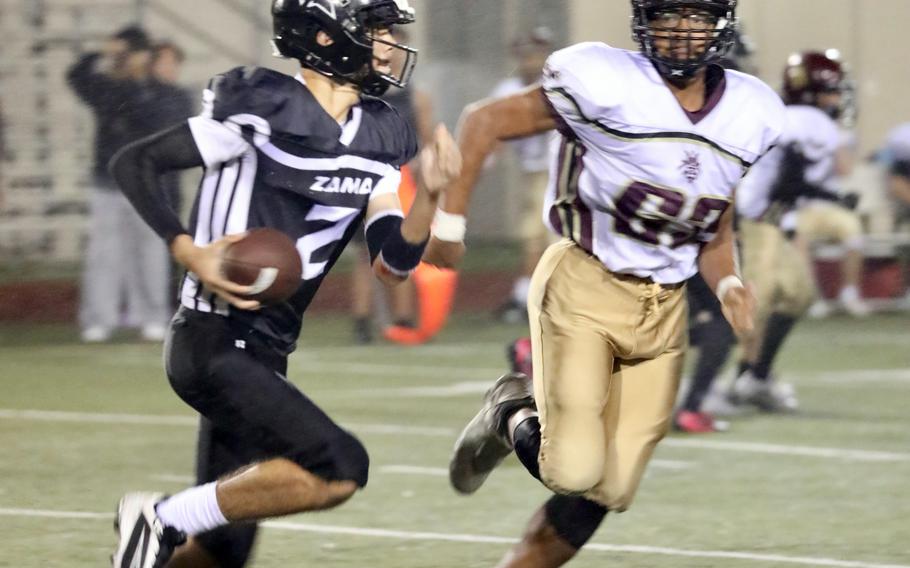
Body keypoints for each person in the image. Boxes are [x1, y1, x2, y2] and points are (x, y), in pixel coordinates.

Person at [424, 1, 782, 565]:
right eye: (668, 14)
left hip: (664, 308)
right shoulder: (605, 80)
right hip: (584, 280)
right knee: (571, 468)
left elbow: (715, 223)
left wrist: (731, 280)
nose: (682, 30)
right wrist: (449, 223)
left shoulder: (749, 110)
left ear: (721, 23)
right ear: (644, 20)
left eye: (697, 15)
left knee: (606, 492)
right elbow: (484, 120)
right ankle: (510, 408)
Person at [106, 1, 460, 567]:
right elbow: (135, 163)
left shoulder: (379, 132)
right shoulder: (262, 108)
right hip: (212, 340)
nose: (391, 43)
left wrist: (435, 195)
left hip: (267, 353)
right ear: (326, 37)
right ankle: (161, 517)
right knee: (342, 467)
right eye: (377, 29)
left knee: (223, 551)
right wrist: (188, 250)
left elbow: (392, 262)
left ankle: (160, 537)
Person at [730, 50, 854, 411]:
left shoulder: (790, 116)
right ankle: (729, 379)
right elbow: (789, 180)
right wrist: (833, 196)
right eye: (833, 90)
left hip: (769, 218)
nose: (837, 98)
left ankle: (756, 375)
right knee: (760, 299)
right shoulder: (811, 124)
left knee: (798, 294)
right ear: (814, 91)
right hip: (759, 219)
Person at [67, 26, 172, 342]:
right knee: (104, 255)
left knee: (151, 253)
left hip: (145, 183)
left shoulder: (158, 90)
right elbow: (75, 75)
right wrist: (105, 53)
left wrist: (138, 77)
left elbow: (153, 119)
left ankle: (153, 316)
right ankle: (99, 319)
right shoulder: (106, 87)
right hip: (107, 183)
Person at [492, 27, 557, 324]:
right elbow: (492, 130)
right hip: (530, 171)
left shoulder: (557, 85)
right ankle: (530, 297)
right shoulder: (508, 91)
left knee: (552, 238)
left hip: (561, 171)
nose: (531, 60)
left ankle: (539, 297)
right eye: (527, 54)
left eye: (536, 53)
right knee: (533, 238)